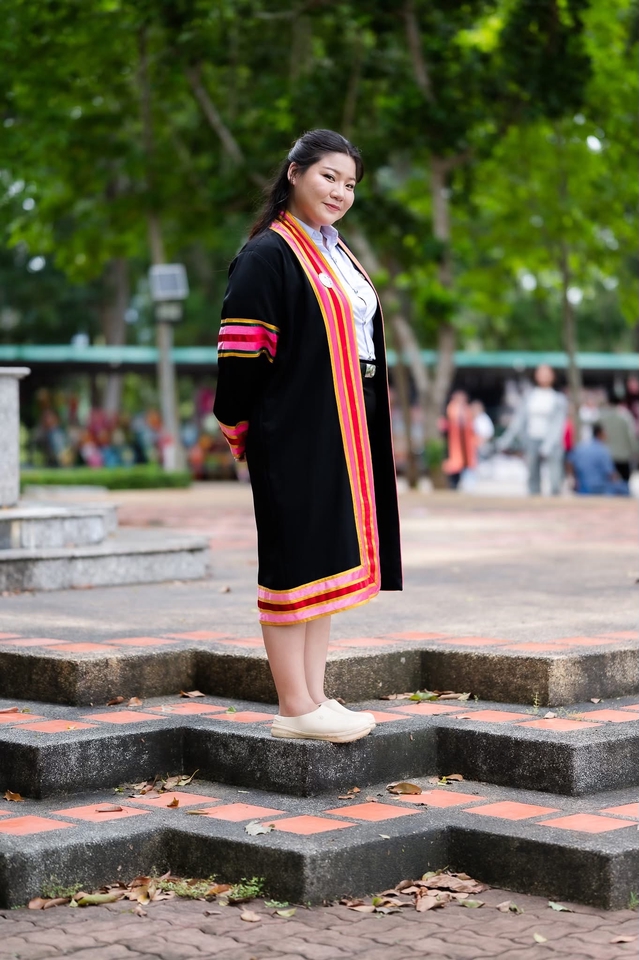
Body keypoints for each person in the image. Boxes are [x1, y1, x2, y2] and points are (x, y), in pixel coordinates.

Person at [213, 129, 402, 744]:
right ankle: (294, 704)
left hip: (344, 425)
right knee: (293, 563)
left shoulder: (335, 252)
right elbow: (241, 355)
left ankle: (317, 696)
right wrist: (244, 429)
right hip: (293, 428)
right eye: (329, 176)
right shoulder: (268, 254)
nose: (341, 191)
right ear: (294, 172)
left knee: (324, 560)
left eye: (350, 184)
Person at [497, 365, 567, 495]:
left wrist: (548, 445)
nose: (544, 376)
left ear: (553, 376)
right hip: (531, 439)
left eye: (547, 373)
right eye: (541, 373)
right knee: (532, 478)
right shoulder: (530, 396)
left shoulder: (558, 399)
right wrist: (506, 439)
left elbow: (558, 425)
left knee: (555, 478)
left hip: (552, 443)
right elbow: (518, 421)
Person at [569, 424, 630, 496]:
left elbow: (570, 462)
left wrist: (574, 479)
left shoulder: (580, 447)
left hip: (582, 488)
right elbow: (610, 474)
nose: (607, 435)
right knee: (625, 488)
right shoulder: (603, 450)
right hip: (599, 488)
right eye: (605, 433)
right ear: (599, 434)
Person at [597, 391, 639, 483]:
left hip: (607, 454)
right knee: (624, 482)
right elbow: (631, 436)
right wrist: (635, 451)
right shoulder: (625, 416)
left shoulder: (602, 416)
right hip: (622, 455)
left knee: (609, 483)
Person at [442, 391, 477, 489]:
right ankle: (453, 483)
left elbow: (469, 423)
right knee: (454, 464)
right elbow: (454, 420)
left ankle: (464, 483)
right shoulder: (452, 407)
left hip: (465, 442)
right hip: (454, 442)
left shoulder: (466, 408)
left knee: (466, 464)